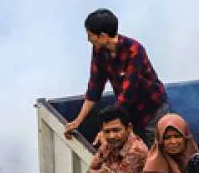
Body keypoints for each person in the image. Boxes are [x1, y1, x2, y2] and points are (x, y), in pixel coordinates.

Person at [64, 9, 169, 142]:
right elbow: (94, 88)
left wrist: (107, 129)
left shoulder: (134, 50)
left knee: (155, 150)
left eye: (90, 35)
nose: (88, 39)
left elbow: (127, 94)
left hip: (151, 109)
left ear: (103, 36)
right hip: (128, 112)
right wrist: (77, 121)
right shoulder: (99, 50)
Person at [85, 106, 149, 173]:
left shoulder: (136, 151)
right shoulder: (109, 143)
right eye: (107, 131)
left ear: (129, 128)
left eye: (116, 130)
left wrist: (103, 170)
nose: (111, 136)